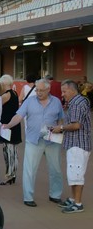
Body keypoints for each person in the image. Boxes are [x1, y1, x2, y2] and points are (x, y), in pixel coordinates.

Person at [2, 78, 64, 207]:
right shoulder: (29, 101)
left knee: (56, 169)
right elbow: (18, 116)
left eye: (41, 90)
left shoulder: (56, 102)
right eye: (37, 90)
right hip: (33, 140)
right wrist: (8, 125)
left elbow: (61, 118)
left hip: (52, 141)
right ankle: (28, 197)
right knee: (29, 170)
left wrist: (60, 129)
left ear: (48, 89)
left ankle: (55, 195)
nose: (38, 93)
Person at [49, 79, 91, 213]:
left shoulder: (77, 104)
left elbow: (76, 125)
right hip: (76, 144)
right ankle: (73, 199)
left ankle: (77, 204)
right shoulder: (77, 102)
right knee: (73, 174)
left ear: (72, 90)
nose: (62, 94)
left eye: (64, 91)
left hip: (78, 144)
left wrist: (61, 128)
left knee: (77, 175)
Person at [0, 74, 22, 185]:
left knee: (8, 151)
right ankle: (12, 174)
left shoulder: (5, 95)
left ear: (3, 83)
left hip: (7, 126)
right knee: (13, 151)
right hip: (14, 124)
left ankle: (9, 175)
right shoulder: (14, 93)